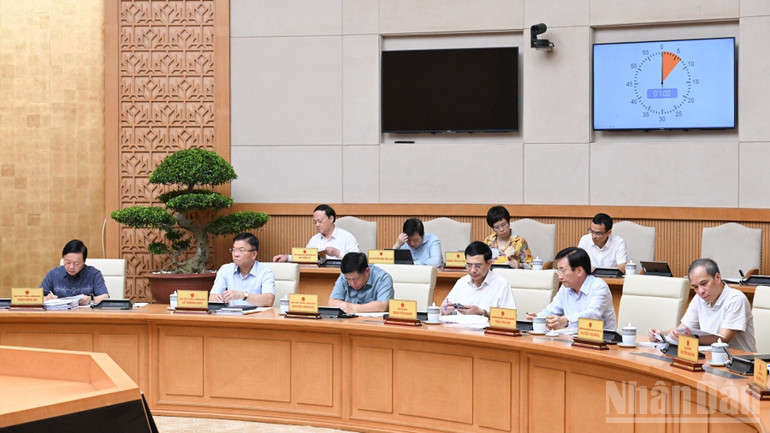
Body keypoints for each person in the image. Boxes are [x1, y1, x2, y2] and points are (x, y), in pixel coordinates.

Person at [648, 258, 756, 352]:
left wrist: (693, 338)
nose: (700, 291)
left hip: (740, 362)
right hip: (709, 358)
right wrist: (661, 335)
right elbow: (681, 329)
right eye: (695, 287)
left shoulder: (736, 299)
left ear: (717, 277)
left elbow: (723, 338)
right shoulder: (699, 299)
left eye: (704, 284)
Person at [527, 246, 617, 331]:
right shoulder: (565, 287)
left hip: (601, 339)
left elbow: (593, 314)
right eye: (559, 271)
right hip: (571, 338)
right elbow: (552, 310)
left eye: (563, 271)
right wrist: (538, 317)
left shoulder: (599, 286)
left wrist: (566, 320)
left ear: (579, 271)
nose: (560, 277)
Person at [441, 241, 516, 316]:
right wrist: (445, 310)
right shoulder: (461, 282)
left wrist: (482, 312)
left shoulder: (501, 284)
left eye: (478, 266)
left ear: (489, 264)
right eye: (469, 265)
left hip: (486, 324)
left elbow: (510, 316)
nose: (473, 270)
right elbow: (444, 309)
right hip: (460, 323)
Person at [273, 204, 360, 262]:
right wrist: (287, 257)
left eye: (320, 221)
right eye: (315, 222)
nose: (317, 225)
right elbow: (305, 257)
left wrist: (338, 253)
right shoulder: (315, 239)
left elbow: (358, 260)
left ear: (331, 219)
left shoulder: (347, 237)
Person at [209, 233, 275, 307]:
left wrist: (242, 295)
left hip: (257, 314)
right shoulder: (225, 270)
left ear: (253, 254)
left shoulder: (266, 272)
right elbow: (212, 297)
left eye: (241, 250)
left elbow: (269, 300)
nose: (236, 254)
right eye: (234, 250)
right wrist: (217, 299)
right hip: (232, 313)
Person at [41, 239, 109, 305]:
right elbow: (37, 297)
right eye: (68, 262)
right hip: (61, 312)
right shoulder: (54, 274)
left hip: (85, 312)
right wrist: (46, 298)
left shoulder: (94, 274)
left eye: (76, 263)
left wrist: (90, 299)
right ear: (63, 259)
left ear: (84, 262)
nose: (71, 267)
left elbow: (105, 297)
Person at [328, 252, 394, 313]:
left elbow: (383, 306)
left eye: (356, 279)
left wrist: (354, 308)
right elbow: (332, 302)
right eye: (348, 279)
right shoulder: (344, 276)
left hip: (373, 321)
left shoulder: (383, 278)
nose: (352, 283)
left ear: (367, 271)